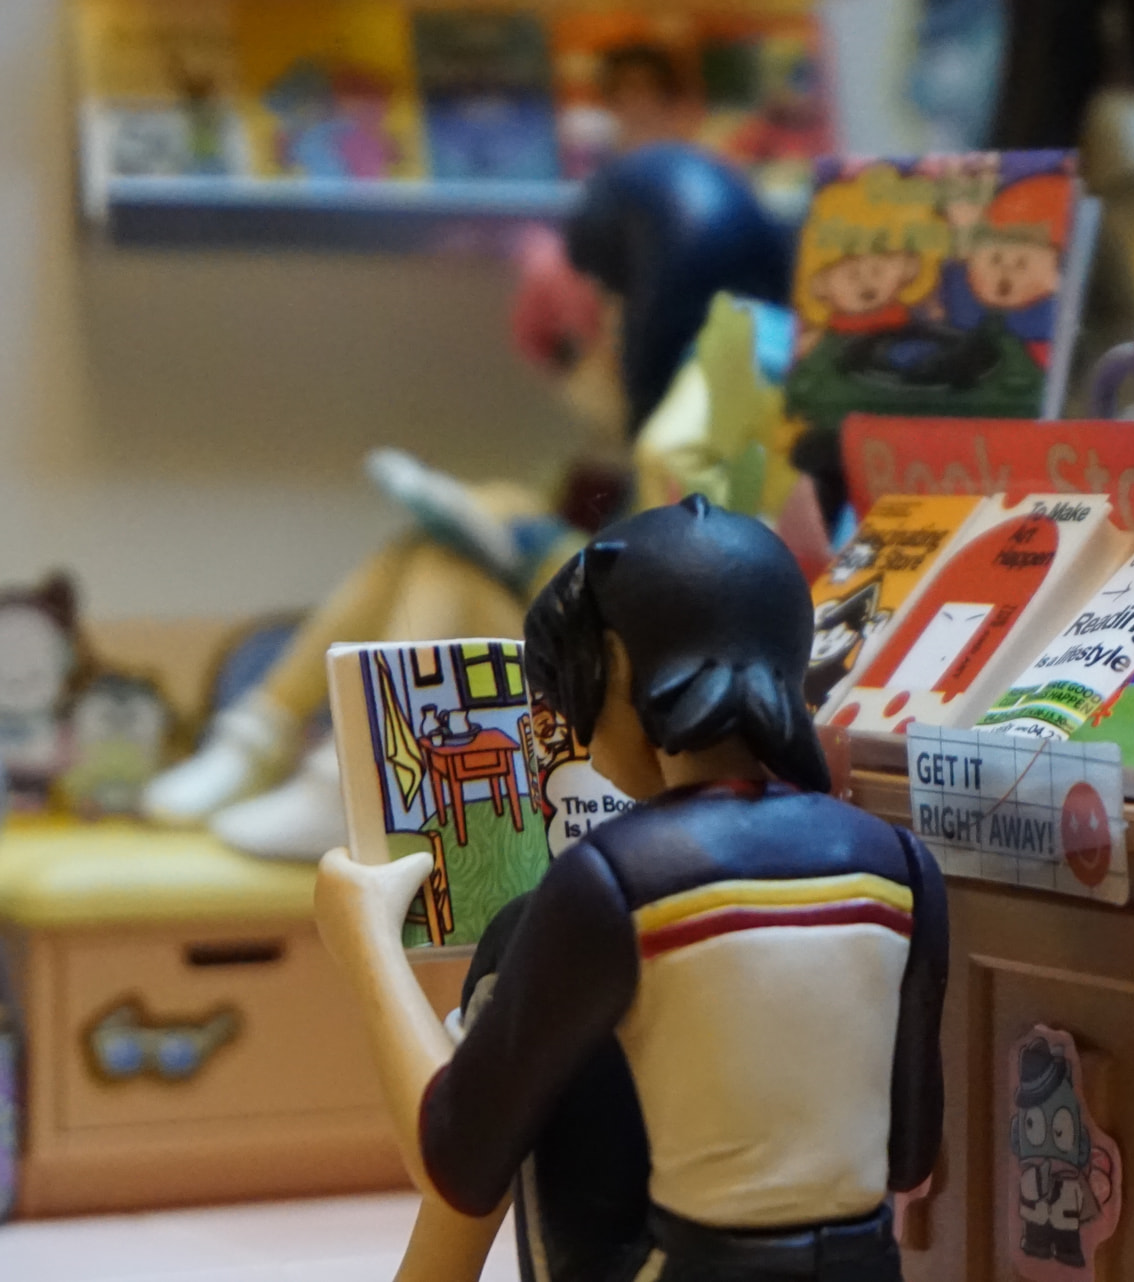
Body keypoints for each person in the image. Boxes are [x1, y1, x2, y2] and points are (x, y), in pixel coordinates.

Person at [314, 496, 948, 1282]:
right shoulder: (901, 864)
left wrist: (368, 940)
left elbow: (452, 1160)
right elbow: (908, 1154)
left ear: (615, 666)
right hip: (863, 1268)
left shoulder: (614, 877)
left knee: (519, 975)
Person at [140, 146, 795, 859]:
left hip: (650, 718)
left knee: (452, 564)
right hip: (628, 686)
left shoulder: (721, 393)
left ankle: (332, 773)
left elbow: (667, 603)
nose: (600, 343)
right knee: (437, 551)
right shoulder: (729, 380)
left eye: (607, 310)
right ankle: (284, 752)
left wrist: (528, 541)